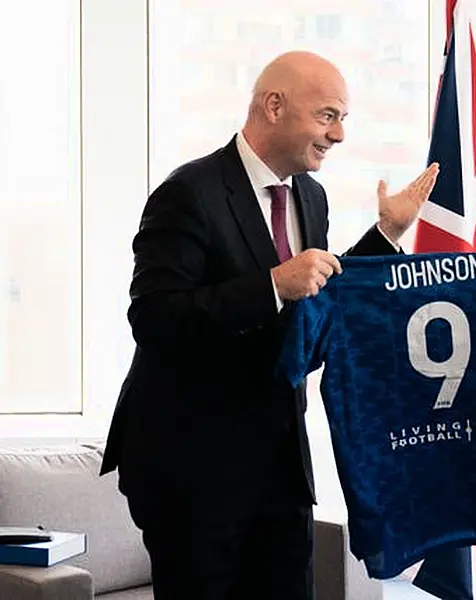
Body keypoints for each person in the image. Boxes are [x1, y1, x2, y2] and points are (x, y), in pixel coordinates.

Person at [99, 50, 439, 599]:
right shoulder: (188, 193)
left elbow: (316, 301)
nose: (340, 135)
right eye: (328, 115)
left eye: (343, 119)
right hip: (192, 469)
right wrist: (272, 286)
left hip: (279, 469)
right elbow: (155, 316)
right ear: (275, 106)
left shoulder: (311, 196)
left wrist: (385, 236)